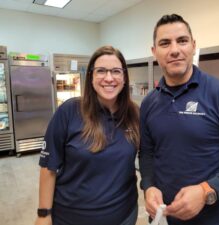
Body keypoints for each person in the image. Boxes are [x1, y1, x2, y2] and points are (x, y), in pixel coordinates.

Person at [139, 14, 219, 225]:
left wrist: (207, 190)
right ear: (154, 52)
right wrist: (148, 185)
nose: (175, 50)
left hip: (213, 218)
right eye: (164, 43)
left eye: (182, 40)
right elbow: (147, 153)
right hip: (163, 217)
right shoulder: (149, 102)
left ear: (193, 45)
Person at [35, 46, 140, 225]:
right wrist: (44, 214)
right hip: (72, 217)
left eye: (116, 71)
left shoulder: (134, 114)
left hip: (124, 215)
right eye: (101, 71)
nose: (109, 78)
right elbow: (48, 167)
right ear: (91, 77)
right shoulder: (69, 111)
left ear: (124, 78)